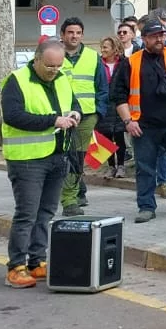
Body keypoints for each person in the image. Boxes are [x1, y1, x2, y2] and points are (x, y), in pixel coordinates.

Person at [0, 40, 79, 287]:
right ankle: (16, 266)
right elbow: (13, 116)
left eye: (58, 65)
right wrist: (53, 121)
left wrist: (76, 114)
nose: (54, 70)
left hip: (57, 155)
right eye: (49, 66)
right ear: (36, 60)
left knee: (45, 213)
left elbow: (73, 104)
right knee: (27, 214)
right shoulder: (17, 80)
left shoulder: (62, 77)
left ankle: (36, 262)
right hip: (27, 159)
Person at [112, 16, 166, 223]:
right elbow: (118, 96)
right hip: (143, 125)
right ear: (144, 38)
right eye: (155, 36)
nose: (160, 39)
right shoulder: (131, 62)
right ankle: (146, 206)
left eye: (162, 35)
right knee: (145, 167)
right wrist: (128, 122)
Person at [57, 16, 102, 213]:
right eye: (70, 32)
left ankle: (70, 198)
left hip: (86, 115)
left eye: (78, 33)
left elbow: (102, 86)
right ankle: (70, 193)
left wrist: (99, 112)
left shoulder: (93, 56)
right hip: (59, 115)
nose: (74, 36)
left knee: (76, 157)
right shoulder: (53, 54)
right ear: (62, 35)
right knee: (61, 156)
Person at [95, 36, 125, 176]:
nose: (103, 50)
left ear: (115, 49)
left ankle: (121, 165)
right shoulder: (98, 63)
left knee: (119, 135)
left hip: (119, 103)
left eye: (105, 47)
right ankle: (111, 165)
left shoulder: (124, 63)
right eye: (102, 47)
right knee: (105, 137)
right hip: (104, 104)